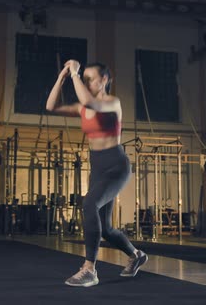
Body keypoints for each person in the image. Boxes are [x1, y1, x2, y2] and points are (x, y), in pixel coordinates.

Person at [46, 59, 148, 287]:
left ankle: (89, 269)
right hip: (97, 168)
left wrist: (74, 74)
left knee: (89, 204)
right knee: (107, 228)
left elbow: (89, 101)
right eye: (85, 79)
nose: (87, 82)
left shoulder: (112, 102)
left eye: (90, 78)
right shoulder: (84, 106)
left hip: (116, 167)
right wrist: (63, 75)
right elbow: (50, 106)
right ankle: (136, 255)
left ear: (104, 80)